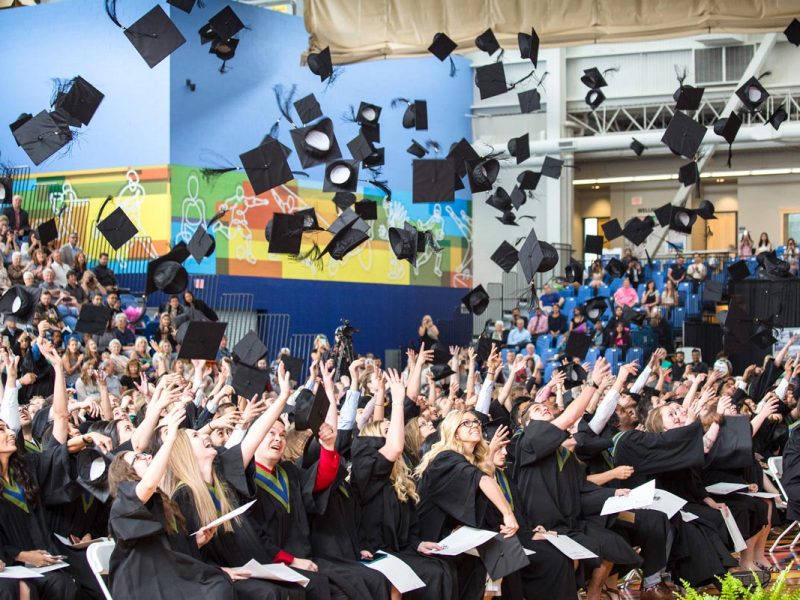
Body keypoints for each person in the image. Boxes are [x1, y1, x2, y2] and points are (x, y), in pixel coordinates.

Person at [511, 357, 641, 600]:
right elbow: (569, 418)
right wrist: (592, 384)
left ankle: (593, 595)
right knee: (572, 560)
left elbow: (581, 489)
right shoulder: (526, 440)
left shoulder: (563, 453)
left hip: (568, 525)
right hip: (541, 526)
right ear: (525, 423)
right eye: (538, 410)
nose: (545, 409)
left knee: (613, 544)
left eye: (547, 408)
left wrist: (614, 494)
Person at [106, 404, 237, 600]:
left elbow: (167, 549)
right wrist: (171, 439)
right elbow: (148, 484)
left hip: (167, 577)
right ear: (127, 474)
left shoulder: (160, 500)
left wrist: (195, 541)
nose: (148, 456)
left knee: (219, 584)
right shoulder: (123, 504)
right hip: (141, 585)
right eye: (139, 458)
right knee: (216, 589)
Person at [351, 369, 453, 599]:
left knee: (442, 568)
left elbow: (409, 526)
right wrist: (396, 402)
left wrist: (417, 544)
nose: (394, 435)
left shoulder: (400, 479)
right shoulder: (365, 471)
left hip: (400, 550)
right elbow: (394, 445)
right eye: (387, 433)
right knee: (430, 574)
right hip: (374, 552)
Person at [415, 410, 519, 600]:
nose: (474, 425)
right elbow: (482, 481)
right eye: (466, 423)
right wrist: (508, 514)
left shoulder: (472, 461)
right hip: (433, 539)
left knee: (508, 552)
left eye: (476, 422)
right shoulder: (445, 458)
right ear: (454, 431)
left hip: (458, 539)